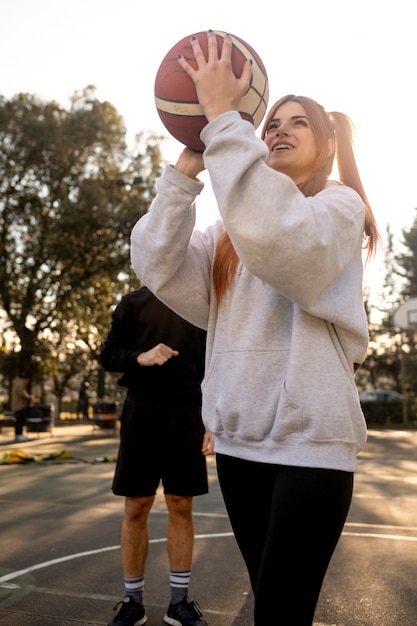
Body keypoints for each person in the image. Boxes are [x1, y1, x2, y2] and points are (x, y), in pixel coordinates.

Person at [130, 32, 380, 626]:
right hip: (241, 445)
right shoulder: (228, 231)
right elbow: (155, 261)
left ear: (326, 147)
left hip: (311, 448)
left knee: (281, 612)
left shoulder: (339, 209)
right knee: (273, 606)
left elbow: (284, 242)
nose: (278, 130)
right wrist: (185, 174)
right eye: (269, 123)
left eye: (298, 123)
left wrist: (222, 120)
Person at [100, 286, 212, 626]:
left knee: (181, 504)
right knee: (136, 506)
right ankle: (133, 603)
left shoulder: (202, 302)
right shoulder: (133, 303)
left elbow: (219, 363)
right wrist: (140, 357)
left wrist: (213, 420)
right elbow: (109, 355)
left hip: (190, 412)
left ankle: (179, 603)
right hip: (141, 411)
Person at [11, 370, 34, 442]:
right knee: (20, 421)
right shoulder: (20, 384)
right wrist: (30, 397)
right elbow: (22, 394)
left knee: (18, 421)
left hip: (16, 405)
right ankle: (19, 434)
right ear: (25, 379)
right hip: (20, 405)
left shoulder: (16, 383)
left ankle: (18, 435)